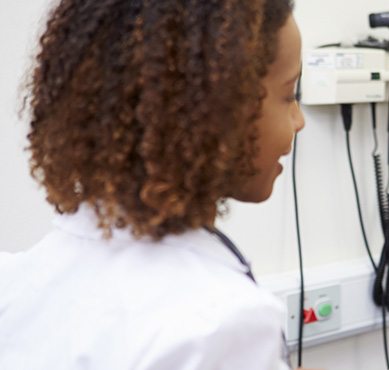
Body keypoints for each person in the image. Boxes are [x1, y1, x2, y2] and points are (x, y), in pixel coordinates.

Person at [0, 0, 312, 369]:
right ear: (217, 107)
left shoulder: (16, 281)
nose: (299, 121)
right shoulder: (217, 325)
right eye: (288, 94)